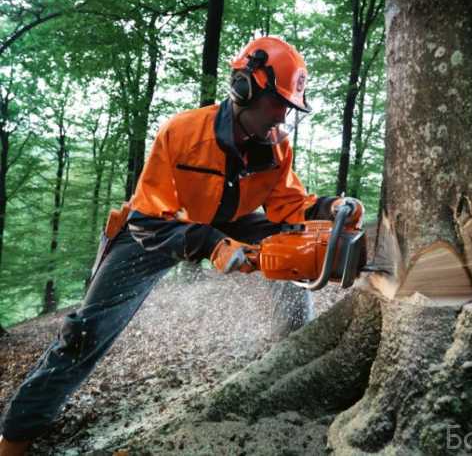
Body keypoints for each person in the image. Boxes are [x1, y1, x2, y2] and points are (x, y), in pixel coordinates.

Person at [0, 36, 363, 455]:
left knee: (291, 249)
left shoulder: (276, 144)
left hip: (231, 219)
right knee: (85, 332)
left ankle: (295, 352)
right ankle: (16, 435)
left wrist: (327, 207)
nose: (283, 116)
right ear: (246, 88)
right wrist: (211, 244)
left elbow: (286, 205)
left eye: (288, 108)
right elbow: (149, 218)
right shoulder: (183, 133)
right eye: (278, 104)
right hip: (152, 231)